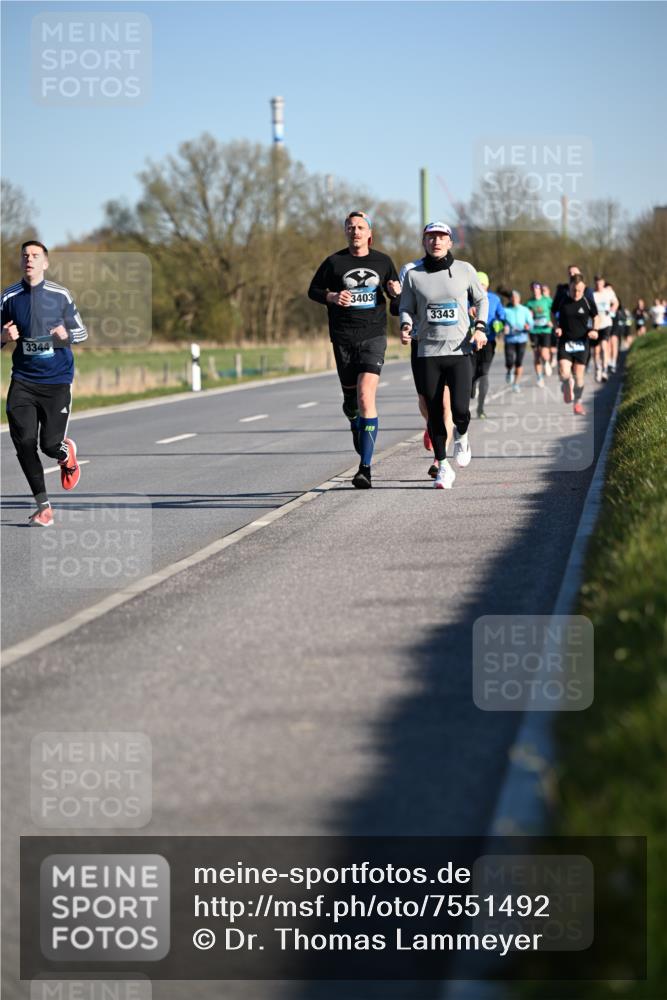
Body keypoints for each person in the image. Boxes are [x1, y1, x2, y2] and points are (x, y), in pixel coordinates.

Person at [308, 211, 400, 489]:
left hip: (373, 336)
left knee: (365, 395)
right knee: (351, 400)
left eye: (360, 227)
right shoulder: (334, 262)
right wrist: (332, 296)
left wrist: (397, 293)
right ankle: (353, 419)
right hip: (343, 338)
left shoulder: (383, 261)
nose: (355, 231)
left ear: (369, 233)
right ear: (345, 232)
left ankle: (365, 469)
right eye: (350, 227)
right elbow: (313, 290)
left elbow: (396, 305)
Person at [1, 240, 87, 526]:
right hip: (23, 380)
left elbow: (82, 333)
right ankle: (44, 507)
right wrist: (3, 337)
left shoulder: (60, 295)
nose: (30, 259)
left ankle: (66, 453)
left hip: (56, 381)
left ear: (45, 263)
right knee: (24, 443)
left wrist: (67, 336)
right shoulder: (9, 297)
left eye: (36, 256)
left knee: (49, 445)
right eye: (25, 255)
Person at [398, 222, 487, 489]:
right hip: (428, 352)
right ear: (424, 242)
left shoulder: (464, 270)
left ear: (450, 242)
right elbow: (406, 307)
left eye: (441, 237)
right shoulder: (414, 275)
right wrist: (405, 326)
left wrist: (480, 328)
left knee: (460, 409)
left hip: (459, 350)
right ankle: (443, 467)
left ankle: (462, 435)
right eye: (431, 237)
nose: (436, 241)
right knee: (435, 413)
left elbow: (482, 300)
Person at [553, 273, 599, 415]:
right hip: (565, 341)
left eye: (579, 290)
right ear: (570, 287)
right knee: (564, 371)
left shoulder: (587, 301)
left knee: (579, 377)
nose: (576, 293)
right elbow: (552, 313)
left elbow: (596, 316)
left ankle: (577, 402)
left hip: (582, 342)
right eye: (574, 290)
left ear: (583, 287)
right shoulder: (562, 300)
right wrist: (557, 327)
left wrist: (595, 330)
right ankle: (567, 384)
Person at [470, 271, 505, 418]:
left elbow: (502, 317)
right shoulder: (466, 298)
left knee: (484, 373)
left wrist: (499, 324)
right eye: (477, 284)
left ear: (487, 285)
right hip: (469, 342)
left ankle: (480, 408)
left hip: (488, 341)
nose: (480, 287)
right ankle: (471, 385)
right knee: (470, 373)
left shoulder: (494, 299)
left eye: (482, 284)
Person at [503, 290, 533, 392]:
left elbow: (531, 323)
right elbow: (499, 322)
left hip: (522, 339)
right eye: (512, 298)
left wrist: (528, 326)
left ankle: (516, 383)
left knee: (519, 362)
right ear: (510, 299)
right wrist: (503, 327)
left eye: (516, 298)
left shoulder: (525, 310)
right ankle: (509, 370)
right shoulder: (506, 310)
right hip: (510, 339)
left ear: (519, 299)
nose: (514, 299)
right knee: (509, 361)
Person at [525, 281, 553, 387]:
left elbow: (555, 311)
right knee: (536, 354)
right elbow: (526, 316)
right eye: (533, 289)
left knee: (544, 354)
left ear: (540, 289)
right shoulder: (529, 303)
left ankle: (546, 362)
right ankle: (539, 377)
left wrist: (553, 322)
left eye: (537, 289)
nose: (535, 291)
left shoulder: (547, 300)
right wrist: (526, 324)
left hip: (545, 330)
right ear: (532, 290)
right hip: (534, 331)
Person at [592, 274, 618, 380]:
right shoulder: (592, 294)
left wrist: (612, 310)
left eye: (601, 282)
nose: (599, 285)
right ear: (595, 283)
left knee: (604, 346)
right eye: (597, 283)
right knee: (596, 350)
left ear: (603, 282)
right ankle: (597, 368)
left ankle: (604, 370)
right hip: (595, 325)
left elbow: (616, 302)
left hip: (606, 323)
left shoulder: (609, 293)